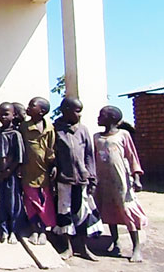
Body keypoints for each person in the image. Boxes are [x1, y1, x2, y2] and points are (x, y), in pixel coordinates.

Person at [94, 105, 148, 263]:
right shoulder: (96, 137)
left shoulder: (123, 135)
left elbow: (132, 157)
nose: (98, 118)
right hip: (103, 181)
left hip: (121, 182)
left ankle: (136, 247)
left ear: (111, 119)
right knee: (108, 211)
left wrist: (136, 178)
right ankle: (115, 241)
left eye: (101, 115)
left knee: (127, 211)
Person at [53, 97, 102, 261]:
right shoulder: (56, 129)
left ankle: (84, 247)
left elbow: (89, 155)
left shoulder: (83, 130)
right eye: (77, 110)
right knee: (64, 212)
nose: (79, 115)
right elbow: (52, 153)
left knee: (82, 214)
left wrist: (91, 177)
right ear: (65, 110)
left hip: (81, 179)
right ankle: (68, 247)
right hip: (63, 179)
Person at [20, 97, 56, 245]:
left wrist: (53, 166)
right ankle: (34, 229)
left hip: (44, 172)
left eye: (32, 106)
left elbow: (51, 149)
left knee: (44, 202)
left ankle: (43, 230)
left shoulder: (50, 128)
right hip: (29, 172)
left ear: (42, 111)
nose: (28, 108)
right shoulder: (24, 127)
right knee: (30, 202)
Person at [0, 102, 24, 244]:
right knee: (2, 201)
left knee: (13, 202)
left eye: (6, 114)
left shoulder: (15, 134)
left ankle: (14, 230)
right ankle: (4, 229)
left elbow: (19, 158)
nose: (3, 117)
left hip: (10, 174)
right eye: (0, 114)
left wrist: (8, 171)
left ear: (14, 115)